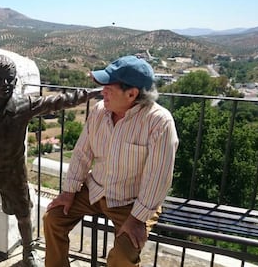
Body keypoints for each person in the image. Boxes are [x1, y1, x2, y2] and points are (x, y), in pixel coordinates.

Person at [0, 54, 101, 267]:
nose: (6, 84)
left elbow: (57, 102)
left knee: (23, 213)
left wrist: (90, 94)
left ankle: (28, 251)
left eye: (10, 79)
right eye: (0, 80)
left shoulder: (24, 105)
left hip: (14, 172)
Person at [43, 55, 179, 267]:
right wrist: (69, 192)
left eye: (109, 87)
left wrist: (137, 219)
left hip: (132, 201)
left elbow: (158, 177)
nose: (102, 91)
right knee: (53, 219)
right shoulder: (99, 112)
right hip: (95, 189)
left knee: (124, 256)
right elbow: (82, 154)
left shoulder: (159, 122)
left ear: (132, 94)